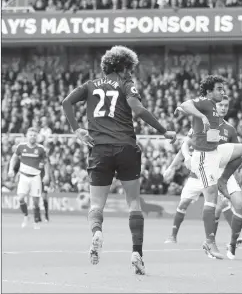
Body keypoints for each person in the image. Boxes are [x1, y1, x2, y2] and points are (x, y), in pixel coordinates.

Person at [61, 45, 176, 275]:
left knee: (96, 205)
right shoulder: (126, 84)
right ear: (122, 67)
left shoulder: (90, 85)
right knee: (134, 203)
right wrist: (164, 131)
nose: (131, 73)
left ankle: (97, 233)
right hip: (126, 148)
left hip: (99, 149)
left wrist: (77, 130)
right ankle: (136, 254)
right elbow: (138, 109)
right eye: (130, 69)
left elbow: (66, 103)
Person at [164, 95, 242, 259]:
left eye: (226, 105)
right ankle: (190, 238)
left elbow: (240, 156)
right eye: (221, 105)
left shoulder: (230, 130)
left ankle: (229, 242)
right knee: (199, 204)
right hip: (202, 170)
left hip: (222, 172)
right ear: (214, 106)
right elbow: (186, 143)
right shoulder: (204, 123)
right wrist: (179, 162)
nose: (223, 108)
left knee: (234, 204)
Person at [176, 75, 242, 260]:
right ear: (209, 90)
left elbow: (184, 109)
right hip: (203, 156)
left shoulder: (213, 106)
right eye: (219, 88)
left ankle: (224, 178)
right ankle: (209, 241)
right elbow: (186, 104)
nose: (223, 92)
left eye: (223, 89)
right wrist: (200, 116)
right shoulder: (204, 102)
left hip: (216, 151)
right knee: (211, 196)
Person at [8, 128, 50, 229]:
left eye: (34, 135)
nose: (32, 137)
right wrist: (11, 169)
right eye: (30, 135)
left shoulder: (41, 149)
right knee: (21, 198)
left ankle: (36, 222)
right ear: (27, 136)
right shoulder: (21, 147)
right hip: (23, 176)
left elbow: (46, 162)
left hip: (35, 177)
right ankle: (26, 216)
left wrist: (47, 175)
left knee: (35, 201)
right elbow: (14, 158)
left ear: (37, 137)